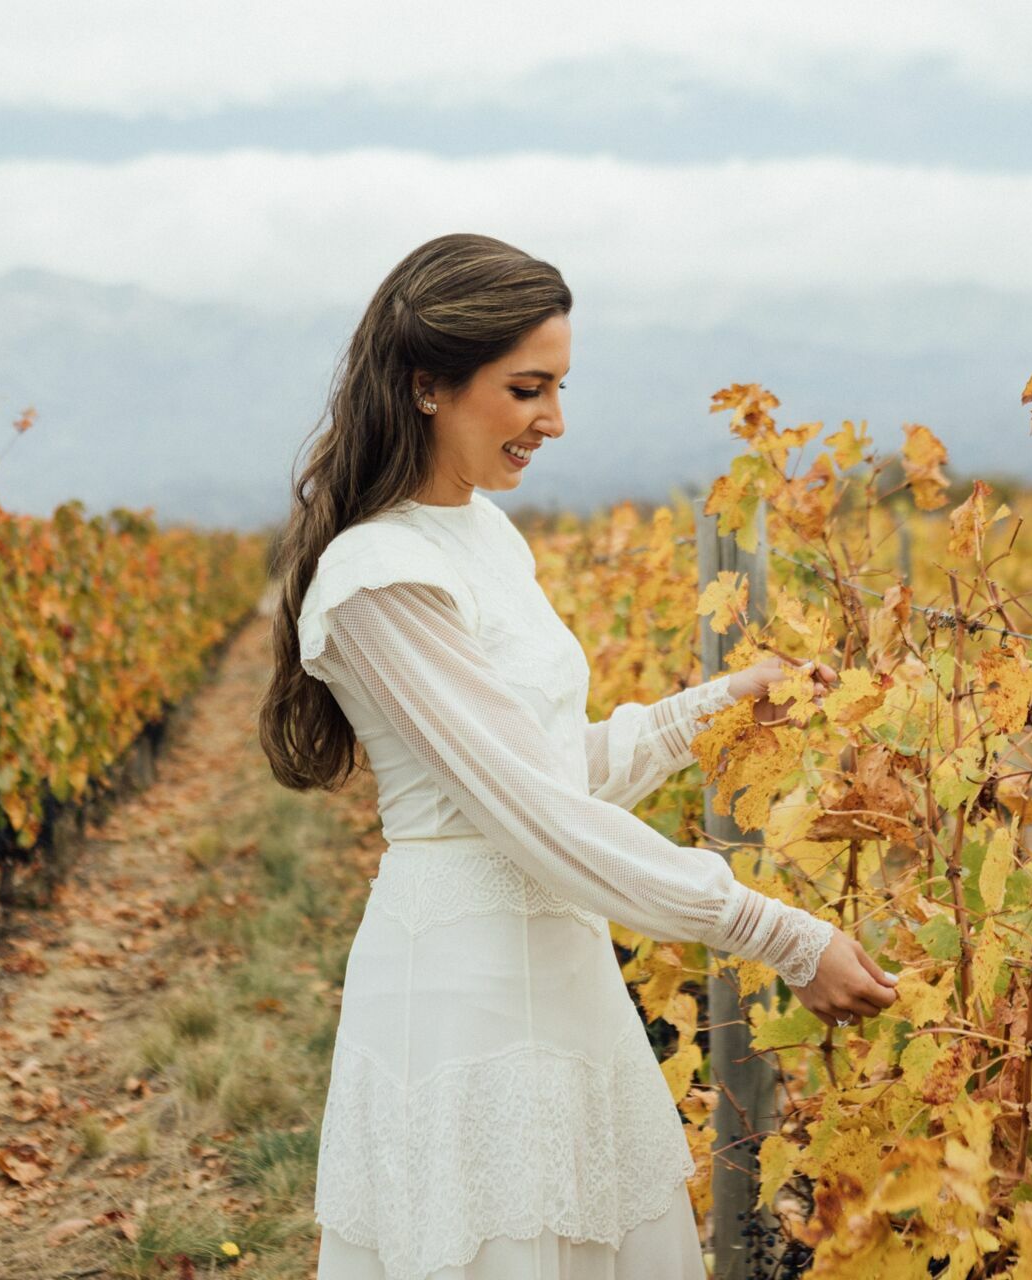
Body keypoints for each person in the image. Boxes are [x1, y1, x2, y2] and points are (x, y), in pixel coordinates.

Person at [258, 232, 900, 1280]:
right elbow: (539, 816)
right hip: (467, 990)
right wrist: (776, 931)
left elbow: (552, 770)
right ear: (427, 384)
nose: (554, 420)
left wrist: (717, 706)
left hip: (555, 964)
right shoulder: (381, 577)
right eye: (527, 389)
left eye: (559, 385)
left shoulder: (483, 533)